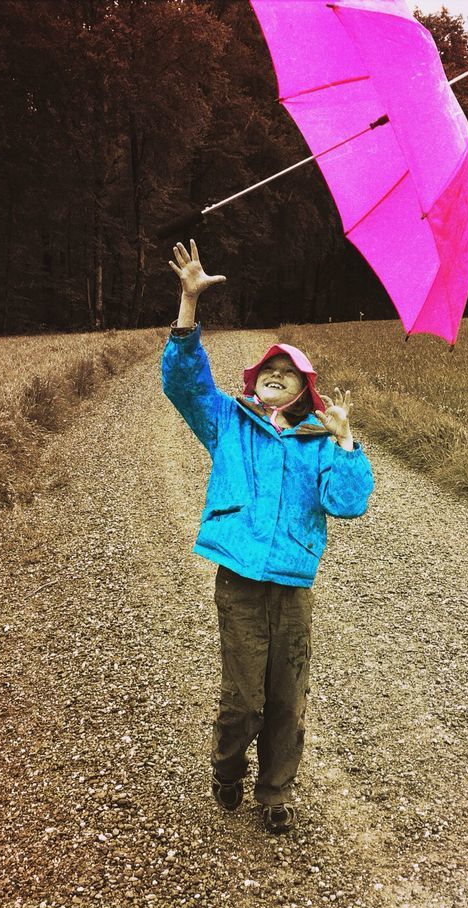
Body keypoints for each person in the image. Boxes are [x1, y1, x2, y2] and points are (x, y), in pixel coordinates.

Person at [160, 240, 374, 835]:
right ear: (256, 385)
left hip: (295, 586)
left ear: (307, 392)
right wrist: (188, 302)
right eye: (269, 372)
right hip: (240, 583)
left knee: (288, 702)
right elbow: (184, 384)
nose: (278, 378)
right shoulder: (229, 422)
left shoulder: (319, 443)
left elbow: (347, 503)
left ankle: (274, 792)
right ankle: (226, 767)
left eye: (291, 375)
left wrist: (347, 443)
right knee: (243, 702)